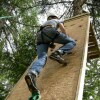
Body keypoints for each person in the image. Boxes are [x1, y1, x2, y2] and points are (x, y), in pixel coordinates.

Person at [25, 13, 76, 92]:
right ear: (55, 17)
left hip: (39, 36)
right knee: (72, 42)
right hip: (50, 31)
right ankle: (58, 53)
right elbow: (62, 28)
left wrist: (51, 44)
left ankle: (32, 73)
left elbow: (46, 36)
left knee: (42, 57)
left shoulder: (44, 23)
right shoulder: (57, 20)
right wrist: (66, 37)